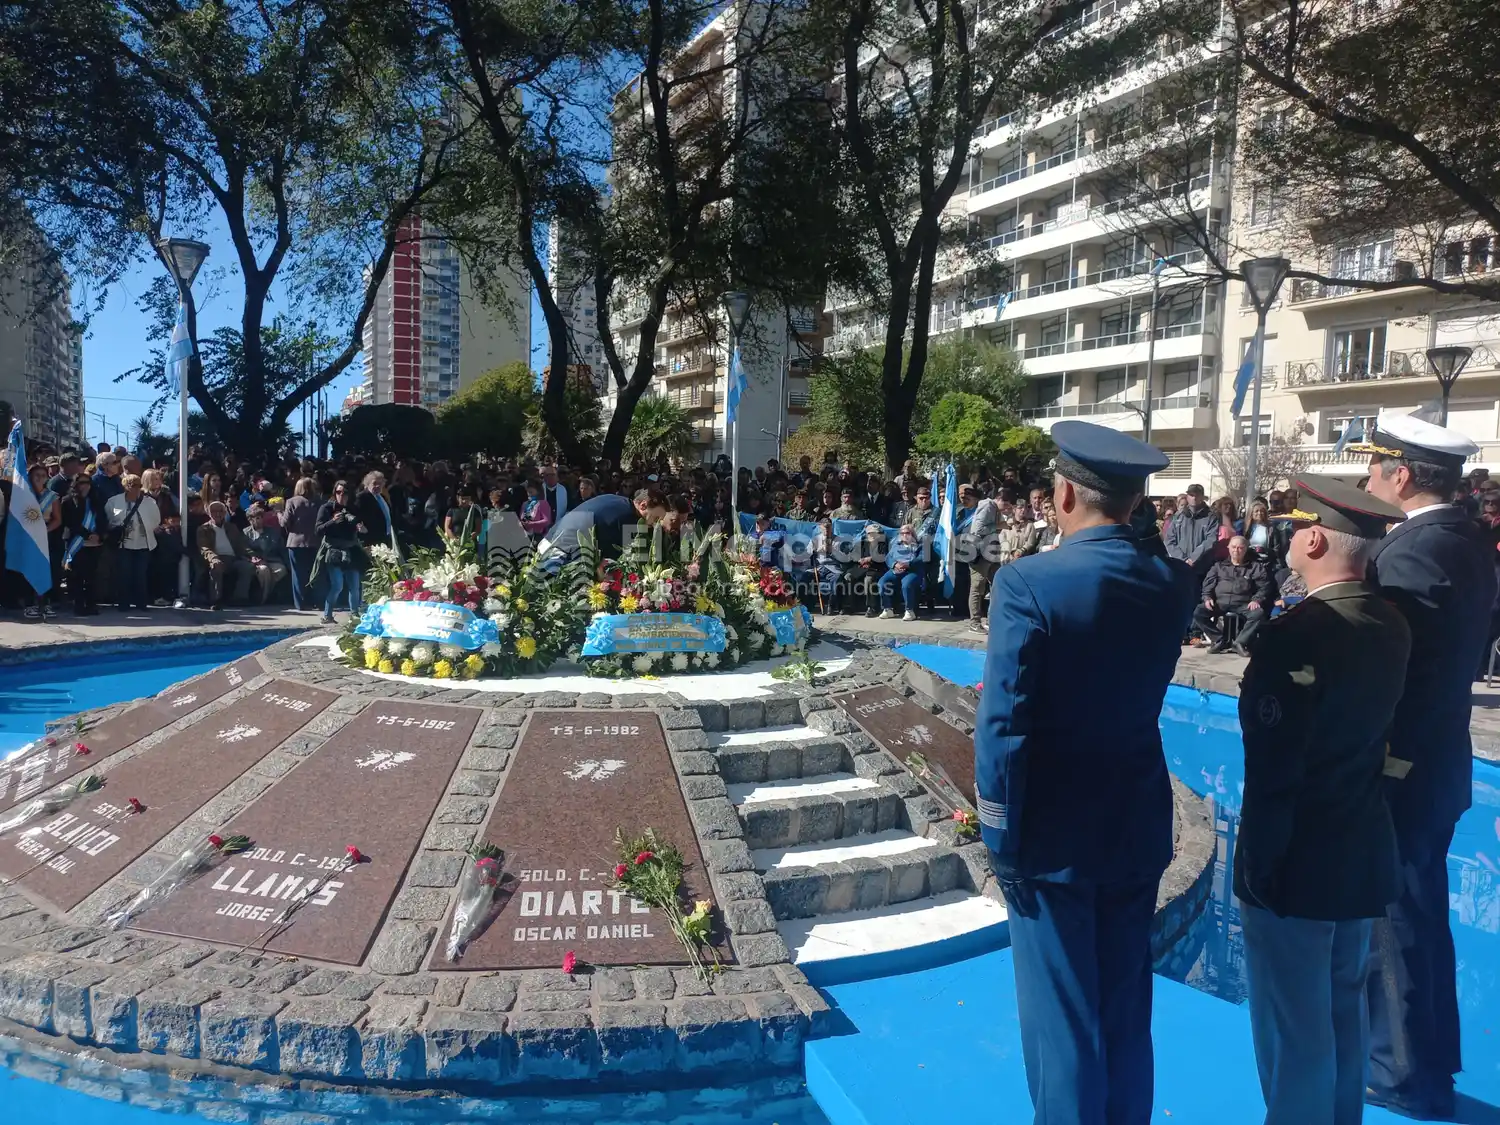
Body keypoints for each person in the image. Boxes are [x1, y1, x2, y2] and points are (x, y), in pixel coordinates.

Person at [974, 421, 1196, 1125]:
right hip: (1134, 824)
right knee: (1125, 1010)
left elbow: (1003, 725)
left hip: (1051, 836)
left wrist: (998, 832)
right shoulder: (1173, 583)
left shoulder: (1027, 582)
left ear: (1064, 495)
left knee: (1062, 1023)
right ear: (1136, 501)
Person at [1236, 477, 1410, 1125]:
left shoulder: (1298, 635)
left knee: (1294, 1030)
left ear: (1314, 540)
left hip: (1296, 862)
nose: (1286, 537)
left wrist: (1260, 866)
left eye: (1295, 527)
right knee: (1342, 1010)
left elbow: (1277, 767)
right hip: (1359, 848)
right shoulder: (1390, 621)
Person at [1350, 412, 1498, 1119]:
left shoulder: (1412, 552)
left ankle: (1399, 1070)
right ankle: (1428, 1056)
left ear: (1401, 474)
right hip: (1436, 764)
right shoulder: (1463, 538)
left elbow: (1389, 672)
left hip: (1401, 769)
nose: (1368, 480)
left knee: (1394, 921)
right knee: (1421, 914)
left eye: (1374, 468)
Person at [1193, 535, 1273, 654]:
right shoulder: (1219, 566)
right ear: (1228, 548)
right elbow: (1208, 584)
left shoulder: (1255, 567)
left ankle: (1240, 642)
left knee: (1258, 613)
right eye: (1234, 547)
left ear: (1246, 549)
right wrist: (1207, 597)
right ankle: (1219, 640)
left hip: (1243, 603)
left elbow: (1264, 586)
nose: (1236, 550)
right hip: (1220, 602)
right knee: (1198, 612)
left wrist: (1256, 599)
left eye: (1240, 548)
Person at [104, 472, 160, 611]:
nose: (136, 488)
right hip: (123, 544)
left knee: (140, 575)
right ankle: (124, 603)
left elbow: (155, 520)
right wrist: (119, 526)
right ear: (125, 486)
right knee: (124, 575)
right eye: (132, 485)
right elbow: (111, 519)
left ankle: (141, 603)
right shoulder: (114, 501)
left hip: (143, 544)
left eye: (138, 485)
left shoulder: (149, 502)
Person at [314, 481, 364, 623]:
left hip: (351, 548)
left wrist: (361, 529)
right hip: (334, 549)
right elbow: (317, 530)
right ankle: (327, 615)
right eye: (338, 492)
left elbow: (360, 527)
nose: (341, 495)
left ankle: (354, 615)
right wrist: (332, 521)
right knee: (337, 585)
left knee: (354, 586)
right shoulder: (326, 508)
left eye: (345, 493)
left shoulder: (353, 509)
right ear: (334, 493)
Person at [197, 500, 256, 608]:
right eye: (214, 511)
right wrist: (213, 558)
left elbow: (241, 545)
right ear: (209, 513)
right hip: (216, 557)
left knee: (248, 567)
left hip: (233, 558)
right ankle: (216, 600)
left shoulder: (231, 527)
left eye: (220, 511)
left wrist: (252, 556)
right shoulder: (204, 529)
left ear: (224, 513)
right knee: (216, 567)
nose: (217, 514)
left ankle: (240, 598)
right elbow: (204, 548)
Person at [60, 474, 103, 615]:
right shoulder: (67, 501)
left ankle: (91, 604)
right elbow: (69, 522)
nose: (85, 486)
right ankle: (78, 605)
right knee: (76, 576)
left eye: (87, 483)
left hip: (94, 544)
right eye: (81, 483)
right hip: (76, 543)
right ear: (75, 485)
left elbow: (103, 519)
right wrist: (87, 534)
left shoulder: (95, 500)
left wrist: (99, 534)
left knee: (91, 576)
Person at [282, 477, 320, 611]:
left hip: (295, 542)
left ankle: (300, 604)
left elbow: (285, 522)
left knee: (298, 574)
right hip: (314, 542)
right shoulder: (318, 502)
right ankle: (316, 601)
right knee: (314, 572)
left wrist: (279, 514)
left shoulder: (292, 501)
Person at [1165, 483, 1218, 573]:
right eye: (1191, 495)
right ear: (1187, 496)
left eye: (1197, 495)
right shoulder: (1178, 516)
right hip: (1180, 566)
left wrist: (1193, 558)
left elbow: (1211, 540)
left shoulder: (1211, 517)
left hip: (1202, 567)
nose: (1194, 498)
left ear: (1202, 497)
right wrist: (1183, 559)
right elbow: (1169, 540)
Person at [878, 522, 924, 620]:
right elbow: (888, 557)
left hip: (911, 570)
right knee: (882, 583)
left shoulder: (920, 545)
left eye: (907, 533)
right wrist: (895, 564)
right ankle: (888, 609)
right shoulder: (896, 545)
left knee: (906, 585)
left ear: (912, 534)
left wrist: (908, 564)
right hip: (896, 569)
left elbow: (921, 558)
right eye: (902, 533)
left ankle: (909, 611)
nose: (904, 535)